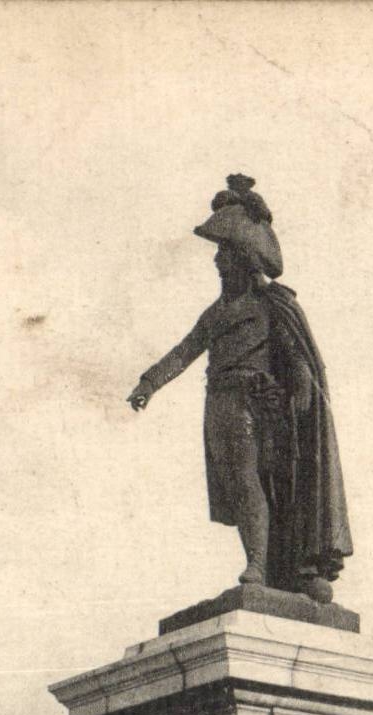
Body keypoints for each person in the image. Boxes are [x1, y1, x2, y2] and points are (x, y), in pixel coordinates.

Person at [127, 175, 352, 599]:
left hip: (257, 404)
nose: (217, 261)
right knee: (235, 484)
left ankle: (259, 565)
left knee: (250, 482)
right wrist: (148, 382)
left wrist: (302, 385)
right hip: (219, 403)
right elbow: (184, 350)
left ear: (244, 259)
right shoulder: (215, 314)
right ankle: (260, 561)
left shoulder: (269, 304)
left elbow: (296, 353)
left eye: (225, 253)